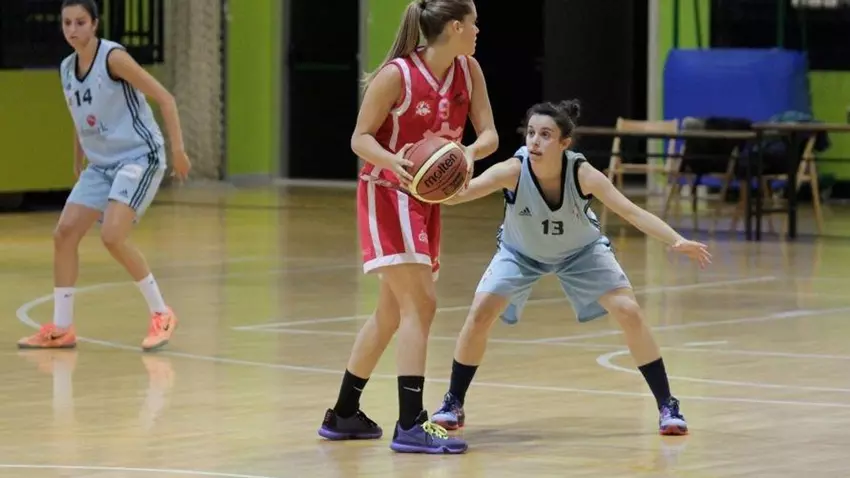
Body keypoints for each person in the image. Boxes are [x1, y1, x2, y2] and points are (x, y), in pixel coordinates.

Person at [430, 100, 710, 436]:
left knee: (629, 311)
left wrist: (676, 240)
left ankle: (667, 404)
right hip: (520, 252)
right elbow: (459, 195)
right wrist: (424, 184)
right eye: (531, 133)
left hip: (581, 253)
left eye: (545, 135)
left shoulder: (583, 174)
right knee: (480, 312)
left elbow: (631, 212)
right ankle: (453, 401)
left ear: (565, 143)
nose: (535, 141)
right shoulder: (513, 170)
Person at [316, 0, 498, 454]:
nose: (478, 30)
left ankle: (344, 413)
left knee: (391, 314)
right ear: (455, 26)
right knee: (422, 304)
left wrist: (467, 154)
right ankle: (411, 424)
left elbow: (490, 135)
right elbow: (359, 137)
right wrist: (392, 160)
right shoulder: (397, 75)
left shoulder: (469, 70)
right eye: (474, 22)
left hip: (427, 200)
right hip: (388, 192)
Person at [17, 0, 191, 352]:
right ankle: (61, 328)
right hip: (101, 164)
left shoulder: (113, 58)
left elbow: (166, 98)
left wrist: (178, 151)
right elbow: (80, 117)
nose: (73, 29)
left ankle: (162, 313)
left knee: (112, 235)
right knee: (65, 233)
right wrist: (78, 159)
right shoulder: (67, 68)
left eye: (80, 22)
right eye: (67, 22)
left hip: (138, 156)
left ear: (95, 24)